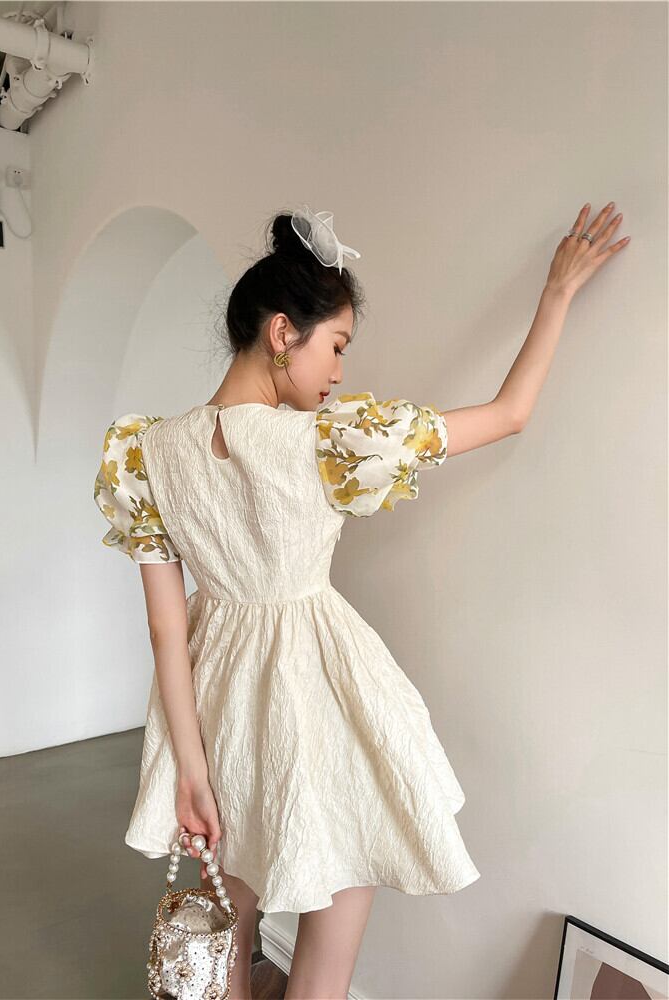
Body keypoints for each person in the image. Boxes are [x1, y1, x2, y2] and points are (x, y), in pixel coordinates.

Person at [94, 202, 629, 999]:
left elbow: (166, 633)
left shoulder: (144, 453)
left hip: (216, 706)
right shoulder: (327, 443)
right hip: (323, 699)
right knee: (324, 970)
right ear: (284, 333)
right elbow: (508, 414)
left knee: (222, 944)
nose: (339, 371)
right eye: (337, 345)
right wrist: (556, 294)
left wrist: (191, 772)